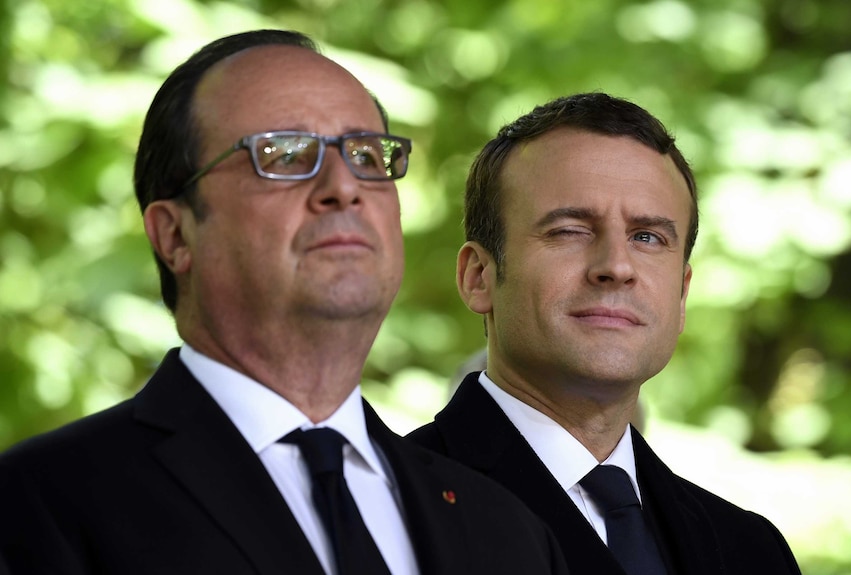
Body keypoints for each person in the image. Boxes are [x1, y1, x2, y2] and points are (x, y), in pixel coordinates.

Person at [0, 30, 568, 575]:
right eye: (286, 154)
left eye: (368, 157)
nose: (344, 186)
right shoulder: (39, 504)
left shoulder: (507, 530)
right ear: (175, 235)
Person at [408, 92, 802, 575]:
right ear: (479, 277)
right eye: (570, 230)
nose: (616, 266)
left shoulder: (751, 550)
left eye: (647, 237)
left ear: (681, 295)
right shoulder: (386, 510)